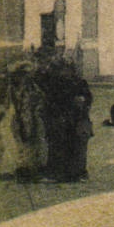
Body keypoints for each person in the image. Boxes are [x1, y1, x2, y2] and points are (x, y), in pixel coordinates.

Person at [39, 48, 93, 182]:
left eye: (68, 68)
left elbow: (87, 98)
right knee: (59, 144)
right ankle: (59, 173)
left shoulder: (78, 82)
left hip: (74, 118)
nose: (66, 71)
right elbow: (51, 100)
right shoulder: (56, 82)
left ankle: (74, 173)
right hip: (60, 117)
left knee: (74, 145)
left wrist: (82, 101)